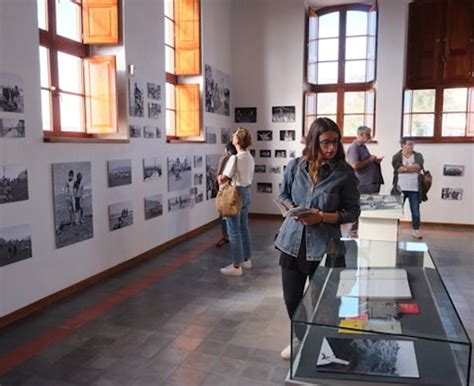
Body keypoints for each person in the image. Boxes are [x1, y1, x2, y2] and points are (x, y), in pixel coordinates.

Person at [275, 117, 360, 360]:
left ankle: (325, 343)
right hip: (292, 244)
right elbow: (283, 193)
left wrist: (321, 216)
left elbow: (352, 212)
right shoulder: (295, 166)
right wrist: (292, 209)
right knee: (292, 299)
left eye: (334, 142)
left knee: (326, 303)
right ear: (314, 141)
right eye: (325, 143)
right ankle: (301, 337)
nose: (331, 148)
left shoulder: (344, 173)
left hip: (327, 246)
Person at [217, 127, 255, 276]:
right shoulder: (249, 156)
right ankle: (247, 259)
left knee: (233, 230)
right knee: (244, 228)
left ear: (238, 140)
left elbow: (223, 178)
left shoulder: (235, 158)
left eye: (234, 135)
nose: (232, 137)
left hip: (235, 195)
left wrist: (219, 177)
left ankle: (236, 266)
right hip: (246, 193)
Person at [346, 125, 384, 237]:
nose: (370, 137)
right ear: (361, 134)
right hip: (363, 183)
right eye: (368, 135)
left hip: (371, 182)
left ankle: (367, 231)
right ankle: (353, 231)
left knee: (369, 209)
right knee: (360, 208)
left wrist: (375, 161)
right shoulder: (354, 147)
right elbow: (354, 165)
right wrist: (370, 159)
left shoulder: (363, 147)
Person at [391, 137, 424, 240]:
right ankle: (394, 230)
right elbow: (398, 169)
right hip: (400, 187)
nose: (411, 146)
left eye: (412, 144)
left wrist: (405, 168)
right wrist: (411, 168)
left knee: (415, 211)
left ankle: (416, 230)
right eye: (409, 144)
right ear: (403, 145)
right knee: (397, 210)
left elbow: (418, 166)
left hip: (414, 188)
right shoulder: (396, 156)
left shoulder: (418, 155)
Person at [216, 142, 238, 247]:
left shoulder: (225, 158)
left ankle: (226, 236)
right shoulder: (239, 158)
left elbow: (220, 175)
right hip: (236, 190)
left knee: (224, 214)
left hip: (225, 189)